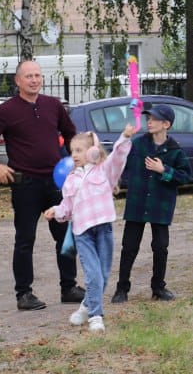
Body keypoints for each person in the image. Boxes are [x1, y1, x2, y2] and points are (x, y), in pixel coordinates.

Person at [0, 59, 81, 311]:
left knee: (65, 236)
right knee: (25, 239)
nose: (34, 80)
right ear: (18, 81)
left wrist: (76, 160)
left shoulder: (53, 106)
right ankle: (24, 294)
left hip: (55, 182)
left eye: (37, 75)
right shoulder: (6, 111)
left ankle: (69, 287)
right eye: (29, 76)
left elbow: (71, 134)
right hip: (26, 184)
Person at [44, 126, 135, 332]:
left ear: (92, 151)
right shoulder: (70, 179)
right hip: (82, 233)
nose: (74, 155)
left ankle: (86, 305)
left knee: (102, 275)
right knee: (93, 275)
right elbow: (67, 208)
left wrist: (125, 137)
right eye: (72, 150)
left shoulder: (104, 171)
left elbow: (118, 157)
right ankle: (95, 316)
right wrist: (55, 211)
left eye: (79, 150)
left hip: (103, 229)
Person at [111, 103, 193, 301]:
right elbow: (119, 160)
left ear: (166, 124)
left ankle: (158, 287)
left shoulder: (175, 150)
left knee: (160, 247)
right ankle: (122, 289)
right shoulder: (138, 144)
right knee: (129, 247)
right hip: (137, 203)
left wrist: (164, 171)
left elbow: (185, 176)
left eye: (154, 119)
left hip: (160, 204)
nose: (149, 121)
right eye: (148, 118)